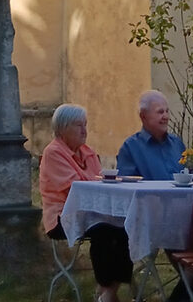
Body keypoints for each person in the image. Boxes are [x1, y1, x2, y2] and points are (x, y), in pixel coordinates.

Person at [40, 103, 133, 302]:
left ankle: (108, 292)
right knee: (105, 232)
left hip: (93, 212)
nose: (84, 130)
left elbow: (99, 185)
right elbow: (74, 190)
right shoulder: (53, 153)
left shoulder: (88, 152)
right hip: (63, 216)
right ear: (62, 129)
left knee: (127, 227)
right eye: (78, 125)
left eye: (85, 124)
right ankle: (107, 293)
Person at [117, 90, 187, 180]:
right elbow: (126, 188)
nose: (166, 117)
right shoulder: (130, 148)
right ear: (143, 116)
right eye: (160, 112)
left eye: (167, 111)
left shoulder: (177, 144)